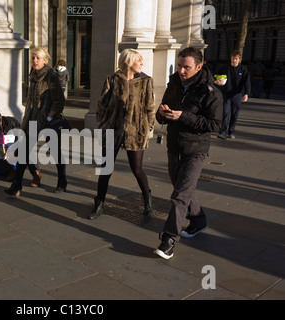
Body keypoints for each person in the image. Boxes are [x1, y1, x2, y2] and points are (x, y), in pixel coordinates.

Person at [154, 47, 223, 260]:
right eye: (180, 65)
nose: (182, 70)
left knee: (180, 196)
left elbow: (215, 124)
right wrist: (162, 114)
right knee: (183, 188)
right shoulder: (173, 84)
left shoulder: (211, 92)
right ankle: (199, 220)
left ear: (199, 67)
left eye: (187, 67)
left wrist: (183, 116)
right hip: (174, 146)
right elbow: (163, 117)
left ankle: (168, 240)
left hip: (196, 150)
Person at [89, 49, 156, 219]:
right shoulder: (112, 79)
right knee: (106, 169)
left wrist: (148, 127)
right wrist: (102, 123)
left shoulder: (145, 81)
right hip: (113, 130)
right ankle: (99, 203)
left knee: (137, 168)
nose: (142, 64)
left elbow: (150, 106)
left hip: (136, 131)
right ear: (128, 62)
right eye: (139, 61)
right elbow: (101, 104)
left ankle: (147, 199)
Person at [4, 47, 66, 196]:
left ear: (45, 60)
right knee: (24, 152)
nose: (34, 61)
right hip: (32, 120)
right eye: (33, 58)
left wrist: (49, 115)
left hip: (48, 121)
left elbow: (59, 100)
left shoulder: (50, 76)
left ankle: (62, 181)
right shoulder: (33, 75)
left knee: (55, 152)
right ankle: (17, 185)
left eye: (38, 58)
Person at [0, 106, 41, 186]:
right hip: (0, 153)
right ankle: (10, 170)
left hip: (14, 150)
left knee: (26, 147)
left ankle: (35, 173)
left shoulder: (11, 122)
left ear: (0, 117)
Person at [215, 50, 251, 139]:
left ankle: (231, 131)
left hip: (237, 95)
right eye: (232, 58)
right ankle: (222, 132)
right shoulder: (225, 68)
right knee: (226, 113)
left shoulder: (243, 69)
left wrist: (246, 94)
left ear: (239, 60)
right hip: (226, 94)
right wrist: (216, 80)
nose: (234, 60)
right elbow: (215, 75)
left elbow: (247, 82)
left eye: (236, 59)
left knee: (234, 114)